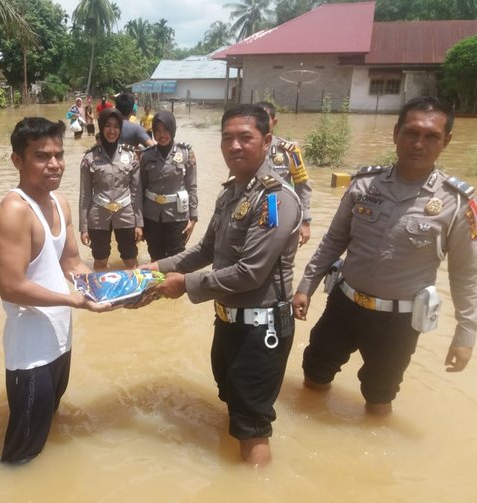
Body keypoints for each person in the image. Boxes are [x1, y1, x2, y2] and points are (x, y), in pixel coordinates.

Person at [292, 96, 477, 416]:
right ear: (395, 133)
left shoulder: (457, 203)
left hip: (399, 321)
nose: (419, 143)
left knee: (379, 397)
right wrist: (306, 285)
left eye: (431, 136)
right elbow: (334, 239)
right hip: (344, 305)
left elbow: (465, 273)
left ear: (446, 141)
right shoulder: (364, 184)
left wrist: (465, 335)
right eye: (411, 132)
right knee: (314, 373)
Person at [146, 104, 303, 465]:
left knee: (252, 425)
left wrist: (183, 284)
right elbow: (203, 250)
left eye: (245, 138)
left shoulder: (274, 199)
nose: (234, 146)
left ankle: (253, 485)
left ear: (266, 141)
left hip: (261, 332)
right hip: (229, 322)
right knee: (234, 406)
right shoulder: (232, 192)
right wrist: (153, 268)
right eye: (227, 138)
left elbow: (251, 272)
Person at [0, 117, 112, 465]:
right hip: (30, 353)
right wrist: (73, 300)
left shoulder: (60, 202)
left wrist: (114, 289)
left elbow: (73, 264)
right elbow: (11, 287)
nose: (55, 164)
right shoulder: (14, 211)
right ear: (18, 160)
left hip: (60, 341)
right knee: (21, 454)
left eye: (59, 154)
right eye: (42, 156)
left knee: (51, 426)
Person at [79, 108, 143, 270]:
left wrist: (139, 224)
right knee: (100, 260)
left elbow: (136, 192)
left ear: (120, 129)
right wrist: (83, 227)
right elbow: (85, 195)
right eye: (108, 126)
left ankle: (133, 295)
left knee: (130, 260)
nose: (112, 130)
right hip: (98, 216)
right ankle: (103, 293)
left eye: (116, 126)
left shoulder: (131, 156)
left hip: (126, 214)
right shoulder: (89, 157)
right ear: (101, 127)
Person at [139, 111, 198, 261]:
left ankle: (174, 285)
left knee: (176, 258)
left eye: (165, 129)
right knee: (156, 257)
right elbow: (140, 188)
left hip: (177, 216)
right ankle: (157, 285)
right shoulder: (146, 155)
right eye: (157, 130)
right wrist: (138, 221)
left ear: (172, 129)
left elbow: (192, 186)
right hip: (151, 216)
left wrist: (193, 217)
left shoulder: (186, 152)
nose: (161, 134)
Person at [254, 101, 312, 246]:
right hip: (250, 213)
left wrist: (305, 221)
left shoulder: (289, 151)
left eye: (265, 119)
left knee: (282, 263)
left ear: (274, 122)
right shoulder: (243, 148)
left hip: (280, 211)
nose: (260, 123)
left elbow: (302, 185)